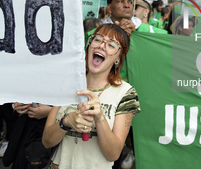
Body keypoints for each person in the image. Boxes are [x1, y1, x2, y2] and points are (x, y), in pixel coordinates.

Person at [42, 24, 141, 169]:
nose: (102, 46)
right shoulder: (67, 84)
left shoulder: (126, 93)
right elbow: (46, 141)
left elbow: (113, 154)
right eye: (98, 39)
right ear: (89, 46)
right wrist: (66, 121)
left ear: (118, 59)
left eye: (112, 45)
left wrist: (100, 117)